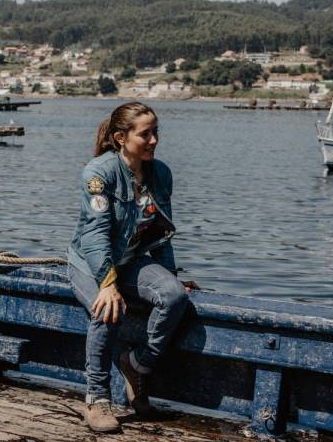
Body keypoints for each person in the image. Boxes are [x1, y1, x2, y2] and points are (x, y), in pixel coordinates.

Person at [67, 101, 194, 433]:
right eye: (145, 134)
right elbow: (95, 236)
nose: (153, 140)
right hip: (89, 262)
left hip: (132, 259)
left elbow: (161, 233)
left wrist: (171, 275)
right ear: (121, 137)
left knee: (174, 296)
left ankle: (136, 364)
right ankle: (96, 398)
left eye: (156, 133)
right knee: (109, 310)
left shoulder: (160, 173)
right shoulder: (99, 173)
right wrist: (108, 284)